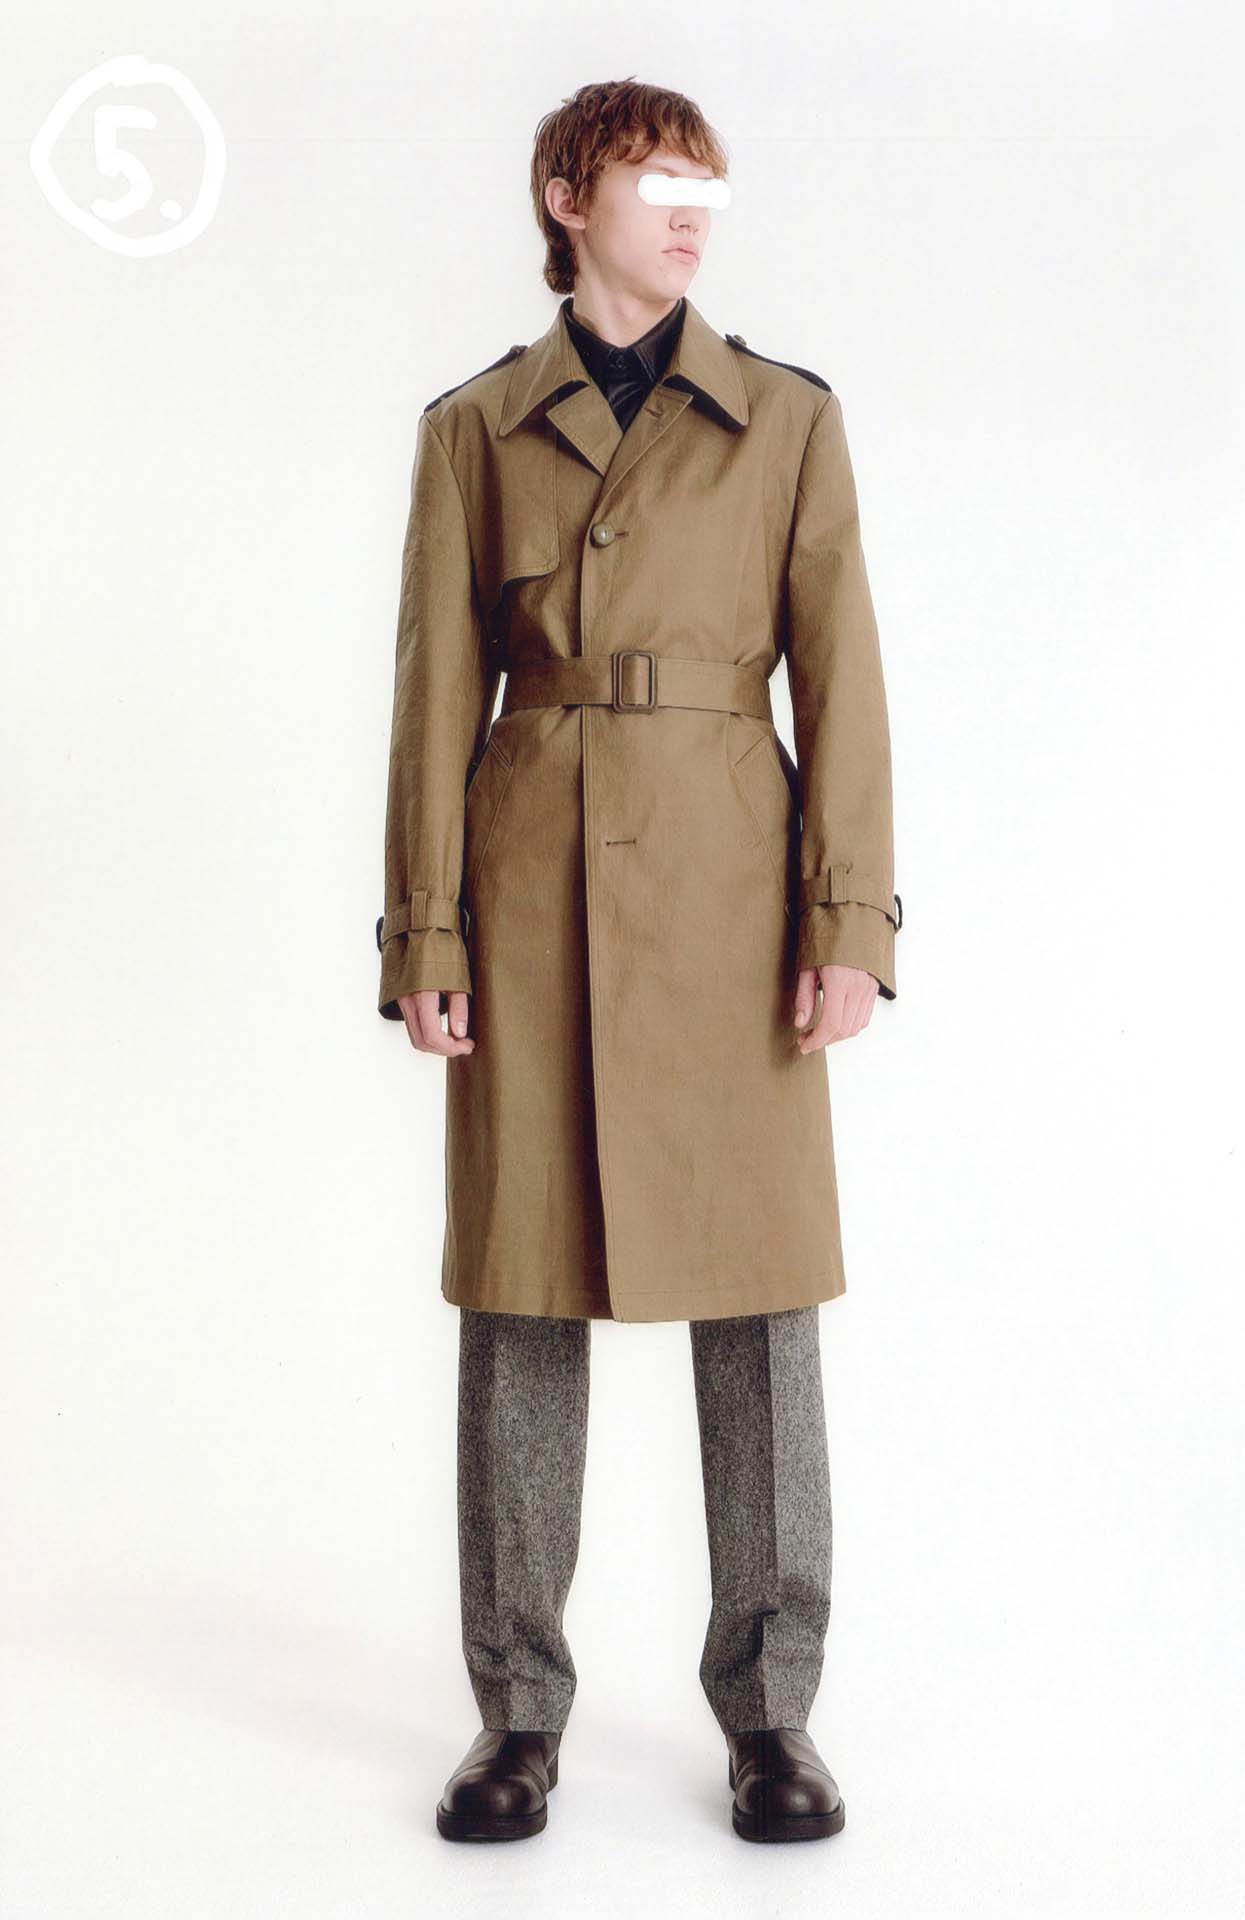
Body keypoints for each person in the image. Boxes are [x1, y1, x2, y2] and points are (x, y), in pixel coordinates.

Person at [376, 77, 902, 1844]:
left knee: (761, 1307)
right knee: (521, 1297)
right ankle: (516, 1712)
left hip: (733, 904)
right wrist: (426, 926)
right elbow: (432, 700)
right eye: (658, 176)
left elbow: (844, 685)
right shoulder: (475, 428)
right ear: (566, 194)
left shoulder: (786, 419)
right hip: (527, 900)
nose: (691, 209)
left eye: (708, 183)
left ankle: (773, 1714)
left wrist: (848, 920)